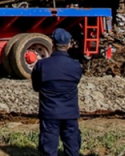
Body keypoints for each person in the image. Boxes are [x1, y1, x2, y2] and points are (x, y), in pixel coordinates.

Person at [30, 28, 83, 156]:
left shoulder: (42, 65)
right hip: (70, 114)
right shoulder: (76, 66)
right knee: (72, 150)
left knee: (49, 151)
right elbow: (76, 81)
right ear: (69, 45)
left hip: (49, 114)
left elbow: (36, 86)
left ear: (52, 45)